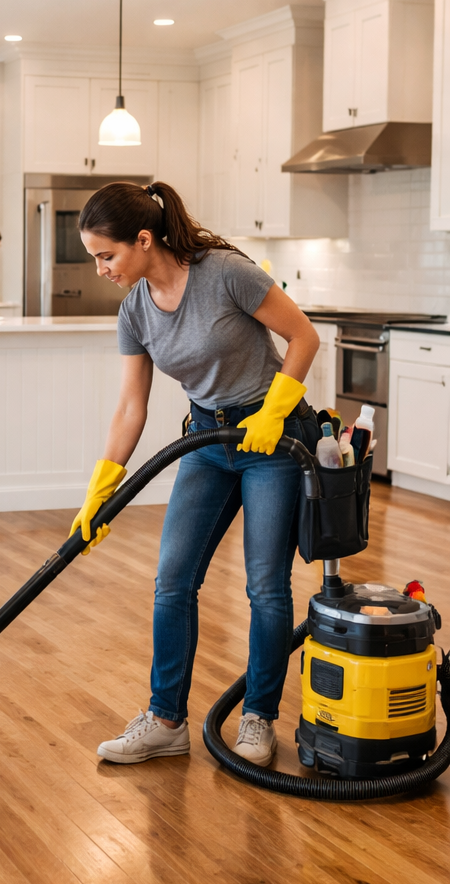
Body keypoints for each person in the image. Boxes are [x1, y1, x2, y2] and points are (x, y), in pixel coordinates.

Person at [70, 181, 320, 767]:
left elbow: (303, 336)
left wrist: (276, 408)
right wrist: (100, 489)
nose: (101, 268)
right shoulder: (134, 310)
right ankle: (165, 721)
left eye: (106, 255)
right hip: (207, 441)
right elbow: (133, 405)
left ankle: (258, 717)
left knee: (265, 585)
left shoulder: (226, 273)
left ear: (143, 238)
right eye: (94, 258)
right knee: (172, 581)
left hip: (273, 438)